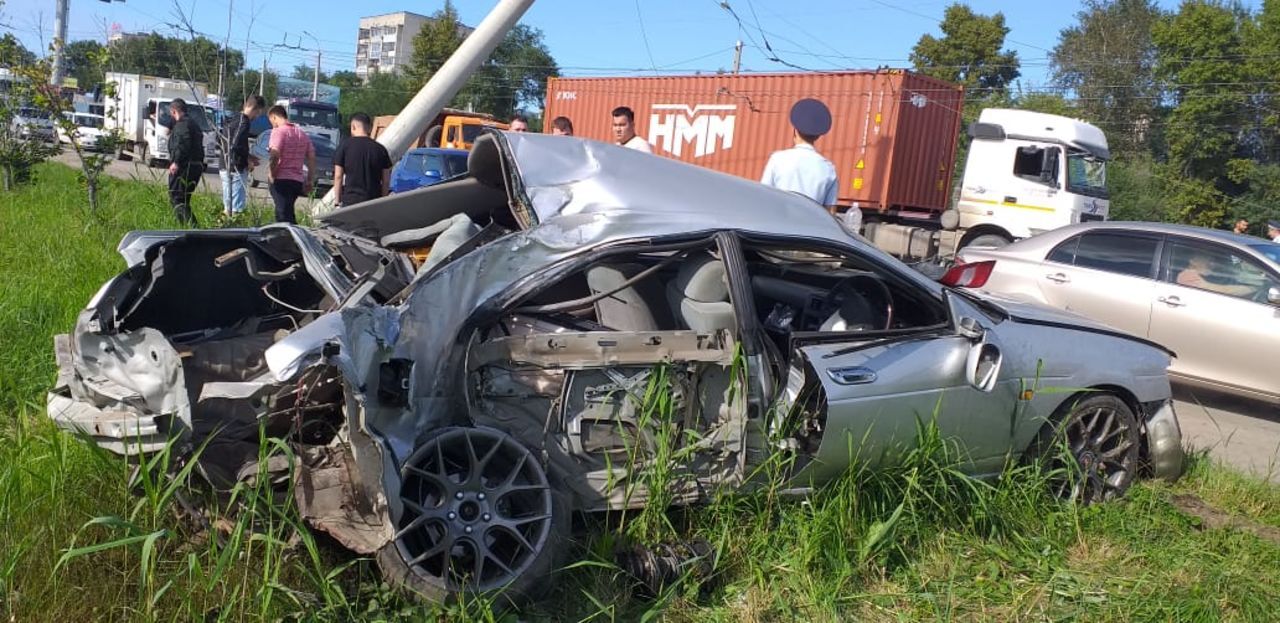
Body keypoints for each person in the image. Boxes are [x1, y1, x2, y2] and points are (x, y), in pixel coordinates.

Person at [760, 98, 839, 214]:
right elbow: (831, 213)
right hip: (808, 230)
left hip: (776, 226)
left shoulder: (777, 159)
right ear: (818, 136)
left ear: (795, 131)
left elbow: (763, 197)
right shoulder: (829, 169)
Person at [266, 105, 315, 224]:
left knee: (282, 214)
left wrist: (272, 173)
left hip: (281, 179)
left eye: (271, 121)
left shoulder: (278, 132)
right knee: (287, 211)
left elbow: (275, 155)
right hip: (296, 181)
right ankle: (292, 235)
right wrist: (309, 180)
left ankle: (287, 238)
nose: (272, 124)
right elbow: (312, 157)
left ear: (274, 117)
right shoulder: (302, 134)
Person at [218, 95, 266, 218]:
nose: (257, 117)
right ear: (257, 110)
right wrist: (248, 160)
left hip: (225, 163)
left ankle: (223, 228)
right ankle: (235, 229)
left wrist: (248, 155)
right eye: (259, 113)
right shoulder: (244, 122)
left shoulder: (232, 119)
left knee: (227, 205)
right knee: (236, 208)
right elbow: (236, 144)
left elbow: (229, 143)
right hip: (236, 167)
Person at [333, 112, 392, 207]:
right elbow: (386, 180)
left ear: (353, 127)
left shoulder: (344, 146)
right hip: (373, 201)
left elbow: (338, 176)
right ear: (369, 128)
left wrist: (337, 201)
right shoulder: (380, 149)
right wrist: (383, 200)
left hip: (350, 200)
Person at [166, 98, 205, 226]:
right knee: (183, 200)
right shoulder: (193, 124)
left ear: (173, 111)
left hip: (185, 167)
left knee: (177, 198)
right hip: (195, 166)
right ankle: (187, 227)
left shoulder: (182, 125)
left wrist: (176, 162)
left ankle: (192, 228)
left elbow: (182, 144)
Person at [1176, 252, 1256, 297]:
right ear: (1193, 261)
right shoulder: (1187, 276)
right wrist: (1253, 288)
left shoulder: (1208, 275)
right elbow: (1222, 290)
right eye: (1208, 259)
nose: (1212, 264)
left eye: (1213, 260)